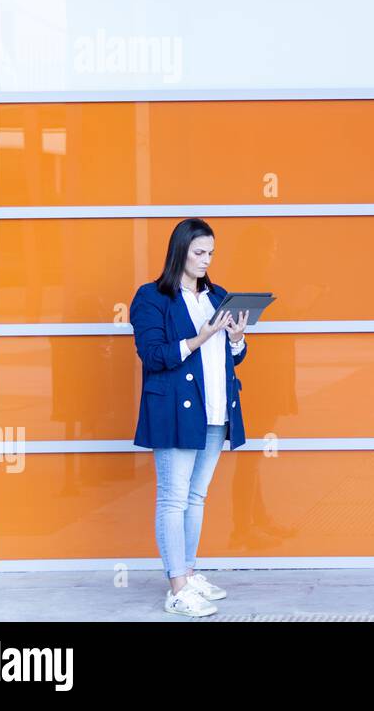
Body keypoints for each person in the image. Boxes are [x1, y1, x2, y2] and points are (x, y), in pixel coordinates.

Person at [131, 217, 250, 617]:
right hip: (175, 411)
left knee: (196, 496)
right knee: (173, 497)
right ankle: (177, 586)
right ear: (180, 251)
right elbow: (153, 355)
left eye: (211, 253)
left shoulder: (219, 295)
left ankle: (190, 572)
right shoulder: (151, 297)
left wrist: (236, 340)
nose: (206, 260)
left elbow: (233, 358)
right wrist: (201, 335)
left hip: (216, 409)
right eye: (199, 252)